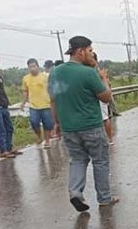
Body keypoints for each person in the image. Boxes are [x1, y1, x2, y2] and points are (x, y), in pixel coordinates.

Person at [49, 36, 118, 211]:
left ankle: (75, 192)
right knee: (100, 161)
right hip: (91, 126)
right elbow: (106, 97)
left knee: (78, 160)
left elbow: (53, 100)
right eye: (89, 50)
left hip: (69, 128)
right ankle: (104, 197)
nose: (91, 54)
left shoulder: (56, 72)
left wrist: (56, 123)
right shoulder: (88, 73)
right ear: (80, 52)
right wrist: (102, 78)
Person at [21, 58, 54, 148]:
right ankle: (39, 136)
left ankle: (47, 141)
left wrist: (53, 100)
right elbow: (25, 91)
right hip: (33, 105)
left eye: (34, 66)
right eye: (30, 67)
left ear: (38, 66)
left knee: (47, 124)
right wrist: (23, 103)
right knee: (34, 122)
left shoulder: (45, 77)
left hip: (46, 104)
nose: (32, 68)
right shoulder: (26, 79)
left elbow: (51, 89)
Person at [93, 53, 114, 145]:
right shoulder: (99, 70)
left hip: (99, 97)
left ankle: (107, 139)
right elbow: (108, 83)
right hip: (101, 96)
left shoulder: (94, 71)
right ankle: (109, 139)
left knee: (103, 119)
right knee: (105, 118)